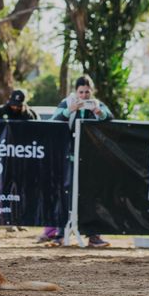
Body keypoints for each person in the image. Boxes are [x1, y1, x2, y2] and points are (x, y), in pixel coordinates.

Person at [45, 75, 113, 248]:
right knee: (66, 194)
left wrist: (99, 112)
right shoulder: (67, 103)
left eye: (87, 92)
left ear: (92, 91)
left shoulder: (96, 104)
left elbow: (110, 118)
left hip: (90, 160)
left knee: (91, 195)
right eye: (81, 92)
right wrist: (69, 111)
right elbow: (53, 121)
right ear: (75, 92)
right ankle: (60, 234)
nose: (84, 96)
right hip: (69, 158)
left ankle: (93, 236)